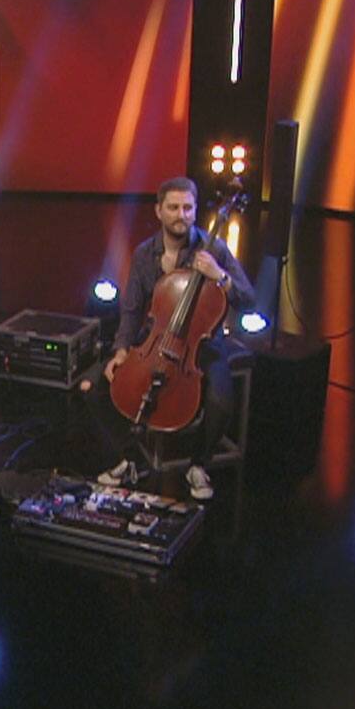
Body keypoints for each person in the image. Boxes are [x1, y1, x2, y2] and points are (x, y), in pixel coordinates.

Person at [96, 176, 255, 500]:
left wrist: (219, 276)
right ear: (159, 211)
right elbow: (132, 309)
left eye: (187, 208)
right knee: (95, 386)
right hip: (156, 340)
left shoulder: (214, 250)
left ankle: (198, 464)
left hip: (202, 344)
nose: (181, 215)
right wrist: (122, 349)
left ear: (195, 210)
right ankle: (129, 458)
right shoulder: (145, 254)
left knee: (221, 400)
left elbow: (248, 300)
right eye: (173, 208)